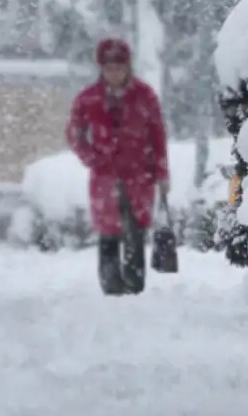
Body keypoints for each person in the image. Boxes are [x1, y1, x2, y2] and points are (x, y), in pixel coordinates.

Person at [66, 38, 170, 295]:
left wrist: (161, 172)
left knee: (136, 231)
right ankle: (111, 286)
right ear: (101, 68)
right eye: (109, 67)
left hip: (139, 176)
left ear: (128, 67)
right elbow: (75, 133)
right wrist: (92, 158)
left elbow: (157, 136)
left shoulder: (145, 96)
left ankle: (134, 285)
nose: (114, 72)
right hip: (105, 177)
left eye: (119, 66)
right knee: (109, 232)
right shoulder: (88, 99)